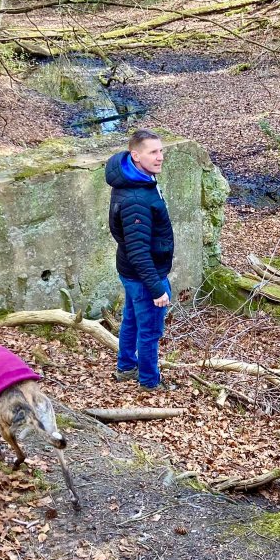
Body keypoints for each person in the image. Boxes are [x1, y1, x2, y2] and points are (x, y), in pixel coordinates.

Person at [105, 129, 174, 390]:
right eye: (153, 152)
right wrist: (156, 288)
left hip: (132, 271)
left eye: (161, 150)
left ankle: (125, 367)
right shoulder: (136, 197)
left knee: (132, 320)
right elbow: (137, 250)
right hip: (146, 274)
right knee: (150, 332)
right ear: (135, 155)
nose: (160, 157)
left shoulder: (136, 180)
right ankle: (149, 382)